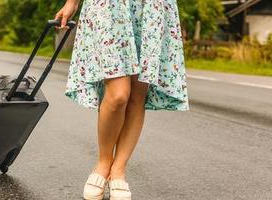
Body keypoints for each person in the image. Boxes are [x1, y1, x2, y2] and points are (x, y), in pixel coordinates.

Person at [55, 0, 189, 199]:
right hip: (110, 6)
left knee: (137, 94)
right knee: (118, 95)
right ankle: (103, 163)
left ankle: (118, 170)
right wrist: (72, 2)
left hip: (151, 7)